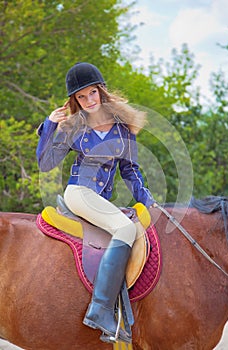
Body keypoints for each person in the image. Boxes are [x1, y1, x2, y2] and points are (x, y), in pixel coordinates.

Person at [36, 62, 156, 343]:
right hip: (78, 193)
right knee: (125, 230)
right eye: (81, 97)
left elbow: (129, 170)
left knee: (134, 229)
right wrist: (50, 126)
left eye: (92, 93)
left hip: (99, 200)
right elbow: (45, 164)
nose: (88, 101)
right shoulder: (73, 127)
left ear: (101, 92)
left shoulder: (122, 129)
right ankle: (100, 310)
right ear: (74, 101)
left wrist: (146, 199)